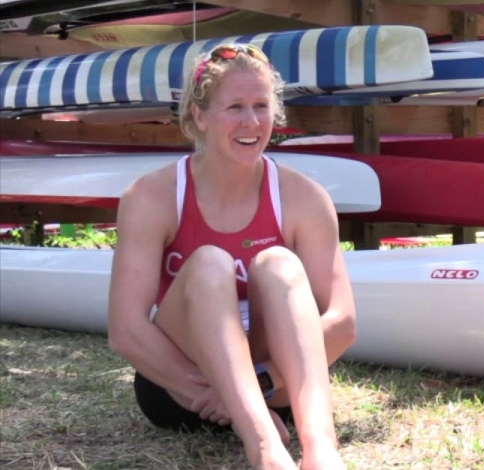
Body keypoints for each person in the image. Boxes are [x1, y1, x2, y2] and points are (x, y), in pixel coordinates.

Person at [107, 43, 356, 470]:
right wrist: (218, 394)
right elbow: (126, 330)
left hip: (274, 386)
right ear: (199, 116)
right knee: (208, 262)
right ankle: (265, 452)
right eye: (235, 107)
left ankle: (322, 453)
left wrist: (258, 385)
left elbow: (341, 320)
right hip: (181, 393)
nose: (251, 121)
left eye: (261, 105)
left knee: (278, 264)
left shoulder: (304, 197)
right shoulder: (151, 196)